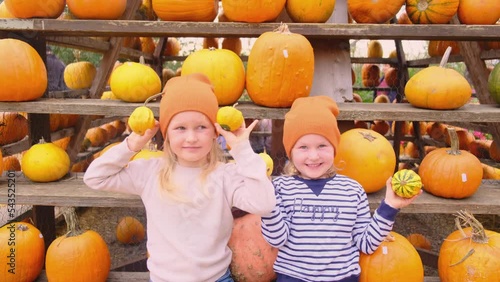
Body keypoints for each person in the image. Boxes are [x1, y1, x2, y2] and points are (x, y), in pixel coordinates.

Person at [84, 73, 276, 282]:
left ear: (214, 132)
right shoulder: (150, 172)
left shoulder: (225, 175)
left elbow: (264, 204)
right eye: (180, 128)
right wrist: (132, 145)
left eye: (201, 127)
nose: (191, 137)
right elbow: (95, 178)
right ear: (166, 134)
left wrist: (243, 150)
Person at [261, 96, 421, 282]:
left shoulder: (352, 190)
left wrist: (390, 207)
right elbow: (277, 239)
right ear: (291, 151)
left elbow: (367, 243)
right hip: (294, 278)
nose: (313, 156)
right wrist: (267, 203)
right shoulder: (280, 188)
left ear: (334, 148)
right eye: (303, 147)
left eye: (322, 145)